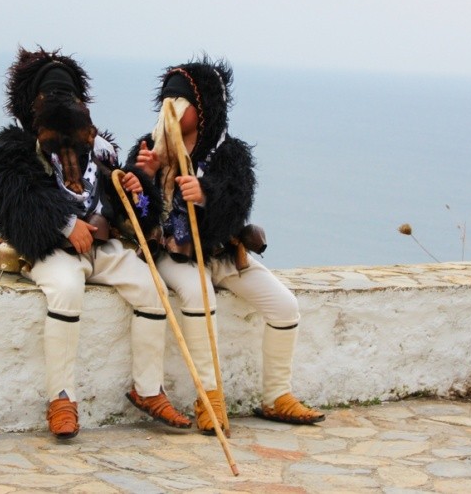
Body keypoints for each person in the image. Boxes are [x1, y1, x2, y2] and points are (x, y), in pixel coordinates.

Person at [0, 46, 190, 439]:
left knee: (152, 289)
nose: (61, 104)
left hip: (101, 247)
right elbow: (15, 201)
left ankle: (148, 390)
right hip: (50, 249)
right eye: (51, 96)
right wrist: (64, 224)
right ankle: (61, 398)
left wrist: (135, 186)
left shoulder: (99, 149)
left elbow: (130, 209)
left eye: (69, 96)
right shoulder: (14, 148)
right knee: (65, 289)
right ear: (33, 102)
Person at [129, 55, 325, 435]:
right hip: (172, 253)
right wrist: (146, 178)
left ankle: (276, 395)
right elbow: (136, 215)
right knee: (200, 295)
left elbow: (237, 205)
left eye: (181, 102)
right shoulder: (150, 148)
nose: (172, 108)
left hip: (221, 251)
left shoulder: (229, 153)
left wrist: (205, 194)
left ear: (203, 109)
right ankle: (210, 397)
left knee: (285, 307)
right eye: (168, 101)